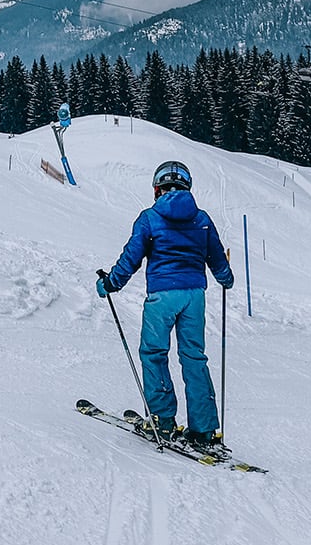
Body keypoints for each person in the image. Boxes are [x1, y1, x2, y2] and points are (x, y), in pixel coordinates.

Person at [96, 159, 234, 450]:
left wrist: (110, 284)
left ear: (157, 189)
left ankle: (162, 420)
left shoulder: (149, 218)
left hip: (162, 295)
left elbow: (131, 258)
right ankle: (204, 429)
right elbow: (217, 258)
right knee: (194, 357)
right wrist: (226, 278)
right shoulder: (202, 219)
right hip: (194, 295)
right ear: (187, 187)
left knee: (154, 353)